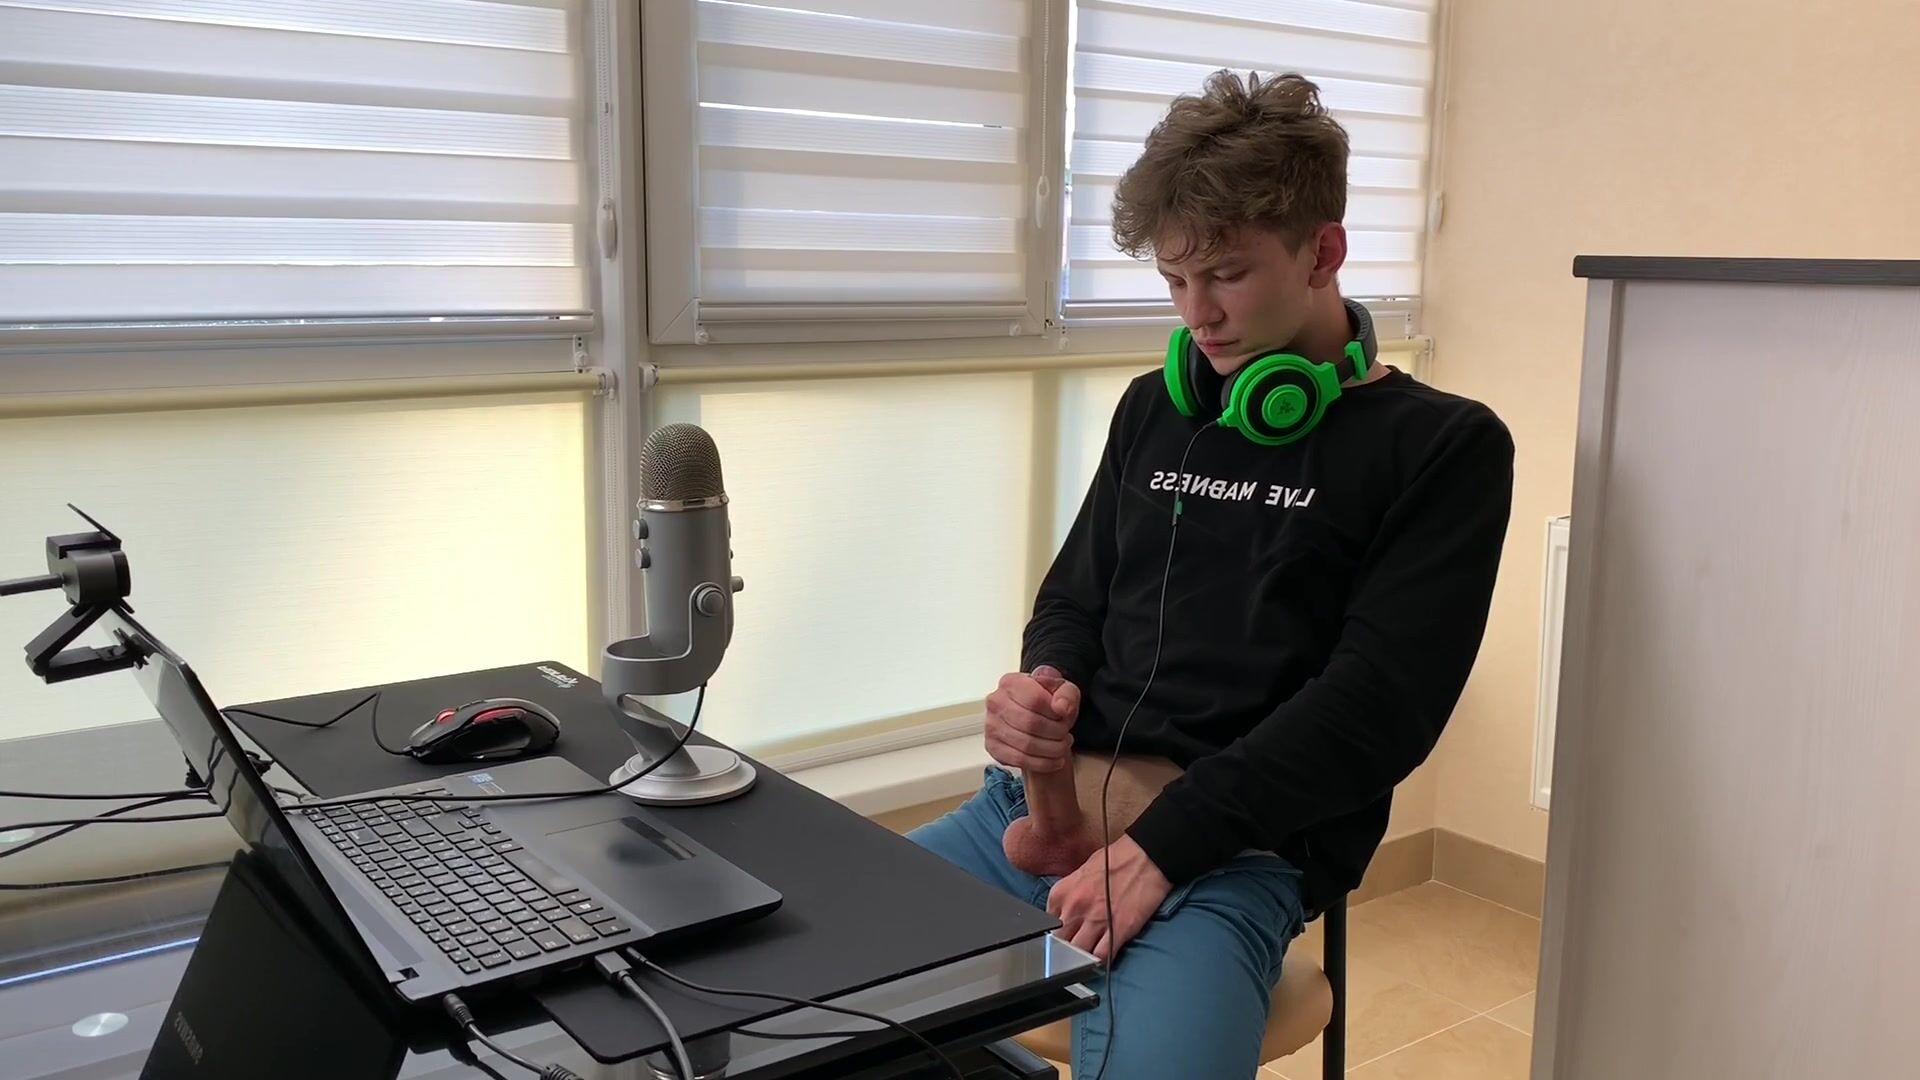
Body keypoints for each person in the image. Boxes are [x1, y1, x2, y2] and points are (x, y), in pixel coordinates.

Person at [907, 69, 1516, 1079]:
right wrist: (1045, 689)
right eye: (1174, 282)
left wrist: (1164, 849)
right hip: (1030, 819)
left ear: (1323, 252)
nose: (1199, 315)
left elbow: (1380, 709)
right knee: (798, 994)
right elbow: (1073, 598)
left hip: (1230, 857)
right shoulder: (1157, 406)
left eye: (1227, 275)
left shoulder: (1443, 449)